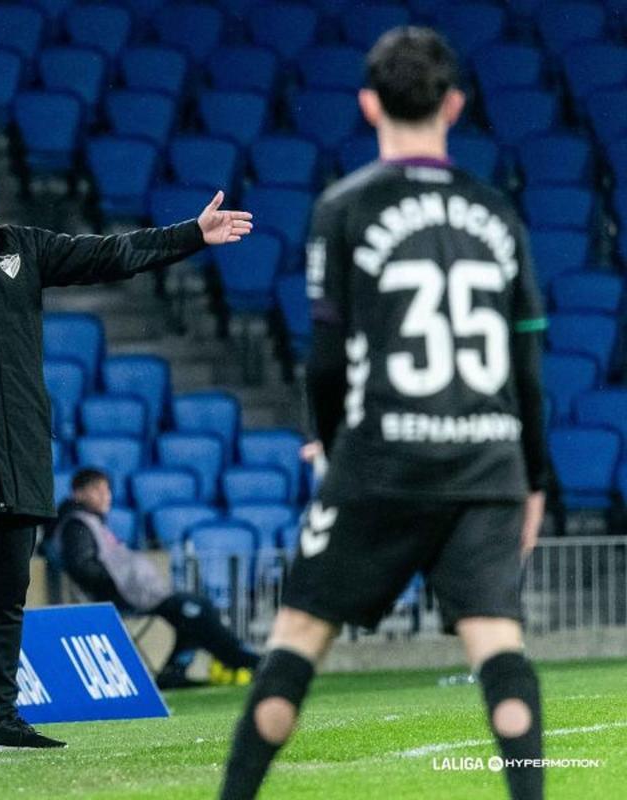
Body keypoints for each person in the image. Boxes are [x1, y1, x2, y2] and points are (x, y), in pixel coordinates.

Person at [219, 27, 548, 800]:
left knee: (297, 640)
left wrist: (332, 449)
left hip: (383, 461)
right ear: (455, 105)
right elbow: (528, 368)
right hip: (487, 458)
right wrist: (531, 479)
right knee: (499, 646)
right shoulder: (498, 213)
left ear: (368, 104)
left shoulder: (343, 208)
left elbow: (326, 362)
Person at [0, 137, 254, 757]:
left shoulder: (23, 248)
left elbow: (111, 254)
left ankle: (0, 719)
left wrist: (190, 234)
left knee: (9, 591)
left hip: (19, 452)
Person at [53, 469, 261, 688]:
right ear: (78, 494)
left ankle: (176, 671)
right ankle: (242, 659)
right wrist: (123, 581)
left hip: (138, 593)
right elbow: (83, 568)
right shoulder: (77, 525)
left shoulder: (94, 522)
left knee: (193, 611)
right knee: (195, 608)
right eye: (96, 490)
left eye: (107, 490)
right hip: (123, 596)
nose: (106, 496)